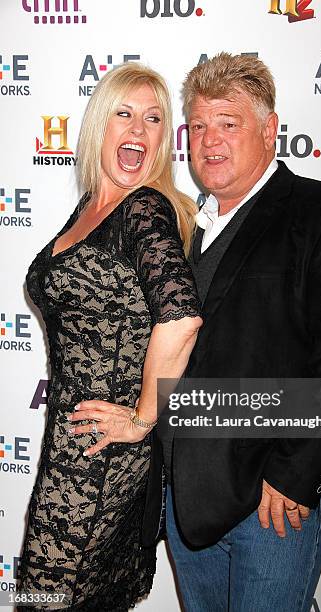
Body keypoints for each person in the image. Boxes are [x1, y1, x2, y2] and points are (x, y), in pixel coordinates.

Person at [158, 53, 321, 611]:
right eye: (200, 126)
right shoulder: (182, 228)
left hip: (274, 505)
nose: (210, 141)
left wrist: (294, 474)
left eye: (228, 124)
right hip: (188, 502)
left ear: (270, 129)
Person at [17, 62, 202, 611]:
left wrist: (143, 417)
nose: (139, 131)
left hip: (104, 454)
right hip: (69, 446)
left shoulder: (142, 210)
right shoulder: (93, 208)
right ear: (100, 124)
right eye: (125, 113)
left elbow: (182, 317)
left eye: (153, 120)